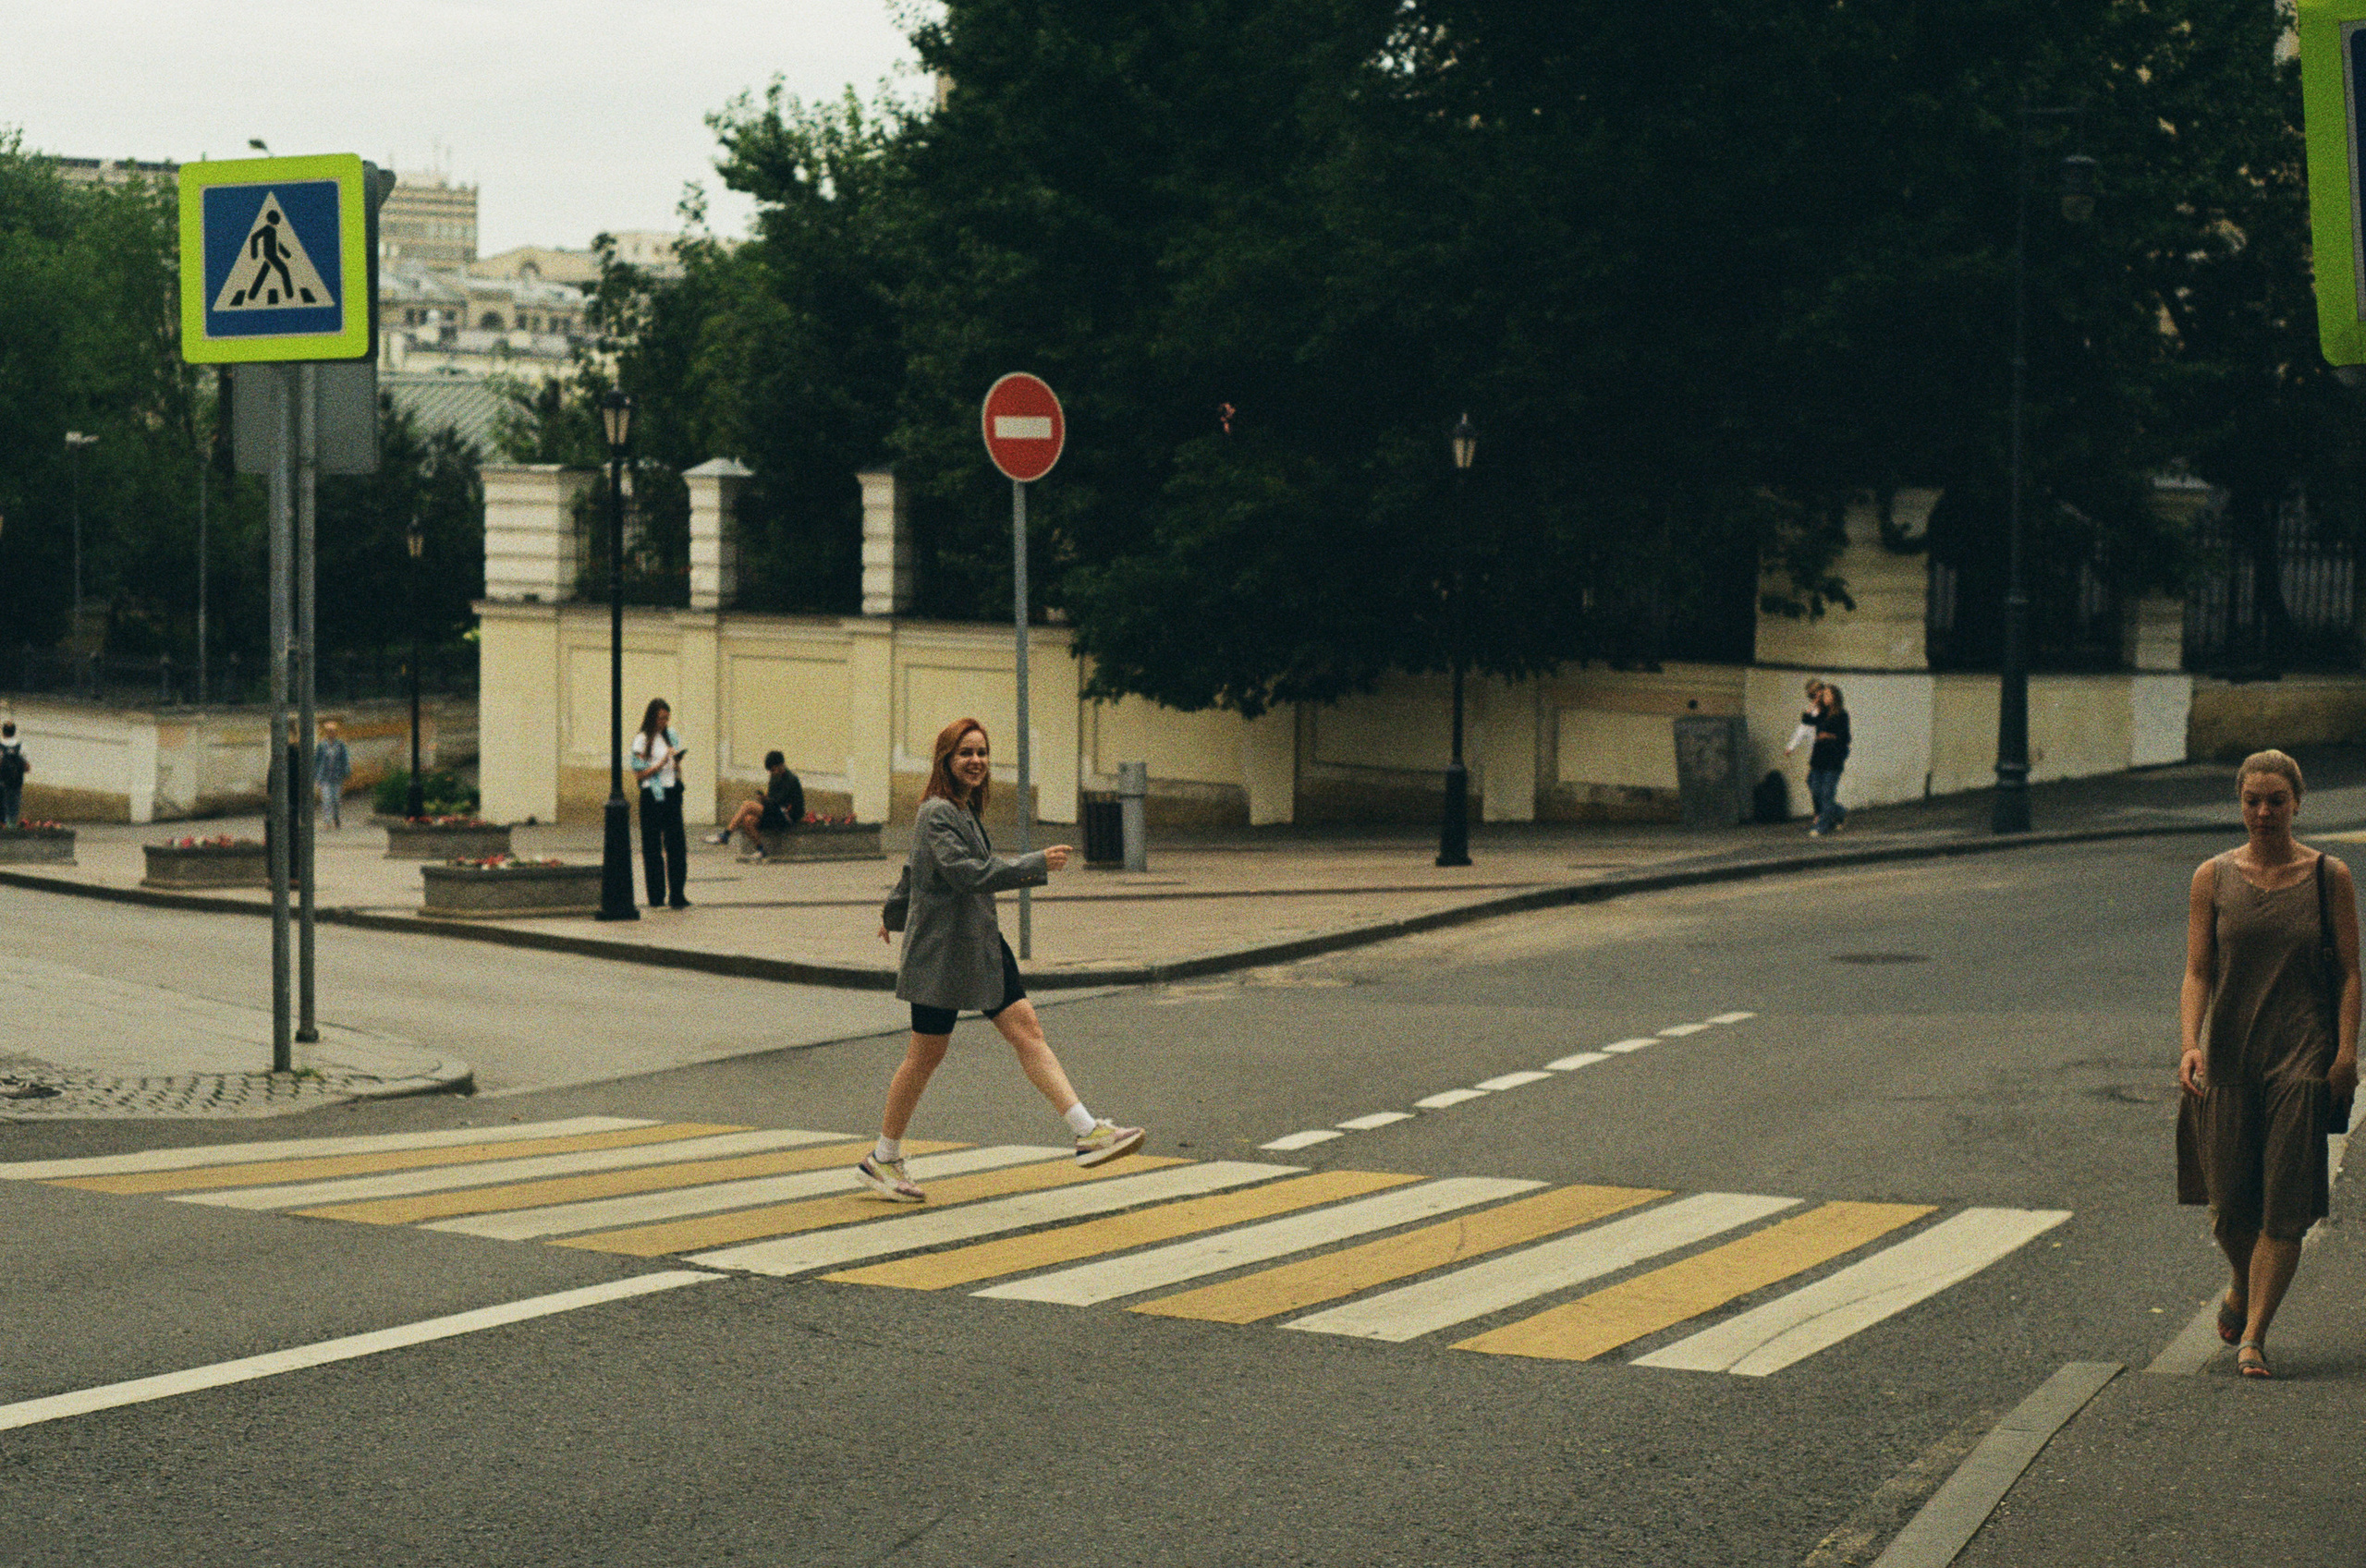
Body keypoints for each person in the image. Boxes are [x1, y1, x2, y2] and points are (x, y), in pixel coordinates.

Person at [862, 716, 1144, 1201]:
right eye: (965, 753)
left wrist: (891, 911)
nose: (976, 761)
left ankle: (1087, 1131)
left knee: (1026, 1028)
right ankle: (883, 1158)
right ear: (946, 761)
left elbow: (917, 869)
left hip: (980, 944)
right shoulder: (936, 812)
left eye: (982, 753)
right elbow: (960, 871)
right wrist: (1033, 864)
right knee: (923, 1057)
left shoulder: (961, 809)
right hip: (943, 954)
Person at [2178, 749, 2360, 1380]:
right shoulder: (2213, 876)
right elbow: (2199, 969)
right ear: (2240, 803)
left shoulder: (2327, 875)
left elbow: (2349, 973)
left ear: (2297, 803)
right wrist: (2189, 1042)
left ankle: (2254, 1333)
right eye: (2253, 800)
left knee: (2284, 1202)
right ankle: (2239, 1280)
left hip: (2302, 1055)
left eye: (2276, 800)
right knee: (2230, 1205)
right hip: (2231, 1051)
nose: (2263, 812)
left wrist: (2345, 1053)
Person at [629, 699, 690, 910]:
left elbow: (674, 763)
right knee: (652, 846)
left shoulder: (670, 735)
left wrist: (675, 763)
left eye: (667, 718)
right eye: (661, 718)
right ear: (652, 717)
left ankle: (677, 894)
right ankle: (656, 895)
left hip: (672, 792)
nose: (665, 722)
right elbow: (639, 772)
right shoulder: (642, 739)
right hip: (652, 795)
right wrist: (661, 763)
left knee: (676, 845)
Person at [705, 750, 804, 861]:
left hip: (786, 817)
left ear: (781, 765)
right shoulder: (774, 777)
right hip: (775, 813)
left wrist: (765, 800)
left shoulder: (791, 780)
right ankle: (761, 850)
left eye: (773, 769)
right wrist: (763, 799)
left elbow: (778, 801)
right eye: (770, 770)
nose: (772, 772)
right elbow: (772, 799)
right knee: (748, 820)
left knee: (747, 805)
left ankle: (725, 835)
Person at [1805, 683, 1850, 837]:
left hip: (1833, 760)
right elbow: (1806, 719)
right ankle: (1839, 811)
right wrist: (1814, 703)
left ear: (1835, 697)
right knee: (1816, 790)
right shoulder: (1821, 714)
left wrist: (1829, 736)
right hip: (1819, 759)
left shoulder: (1842, 715)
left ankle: (1822, 826)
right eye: (1824, 695)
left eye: (1828, 695)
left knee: (1826, 794)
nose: (1825, 698)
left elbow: (1845, 738)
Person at [313, 721, 351, 829]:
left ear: (336, 732)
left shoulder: (340, 745)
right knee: (326, 799)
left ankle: (336, 817)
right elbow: (317, 760)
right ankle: (327, 821)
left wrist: (347, 771)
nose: (331, 733)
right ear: (326, 732)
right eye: (329, 731)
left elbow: (345, 759)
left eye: (333, 731)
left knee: (335, 800)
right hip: (324, 777)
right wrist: (315, 774)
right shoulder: (321, 745)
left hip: (337, 776)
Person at [0, 721, 26, 827]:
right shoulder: (21, 746)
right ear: (14, 732)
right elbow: (27, 767)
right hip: (16, 782)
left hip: (1, 782)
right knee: (13, 808)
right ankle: (11, 827)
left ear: (3, 731)